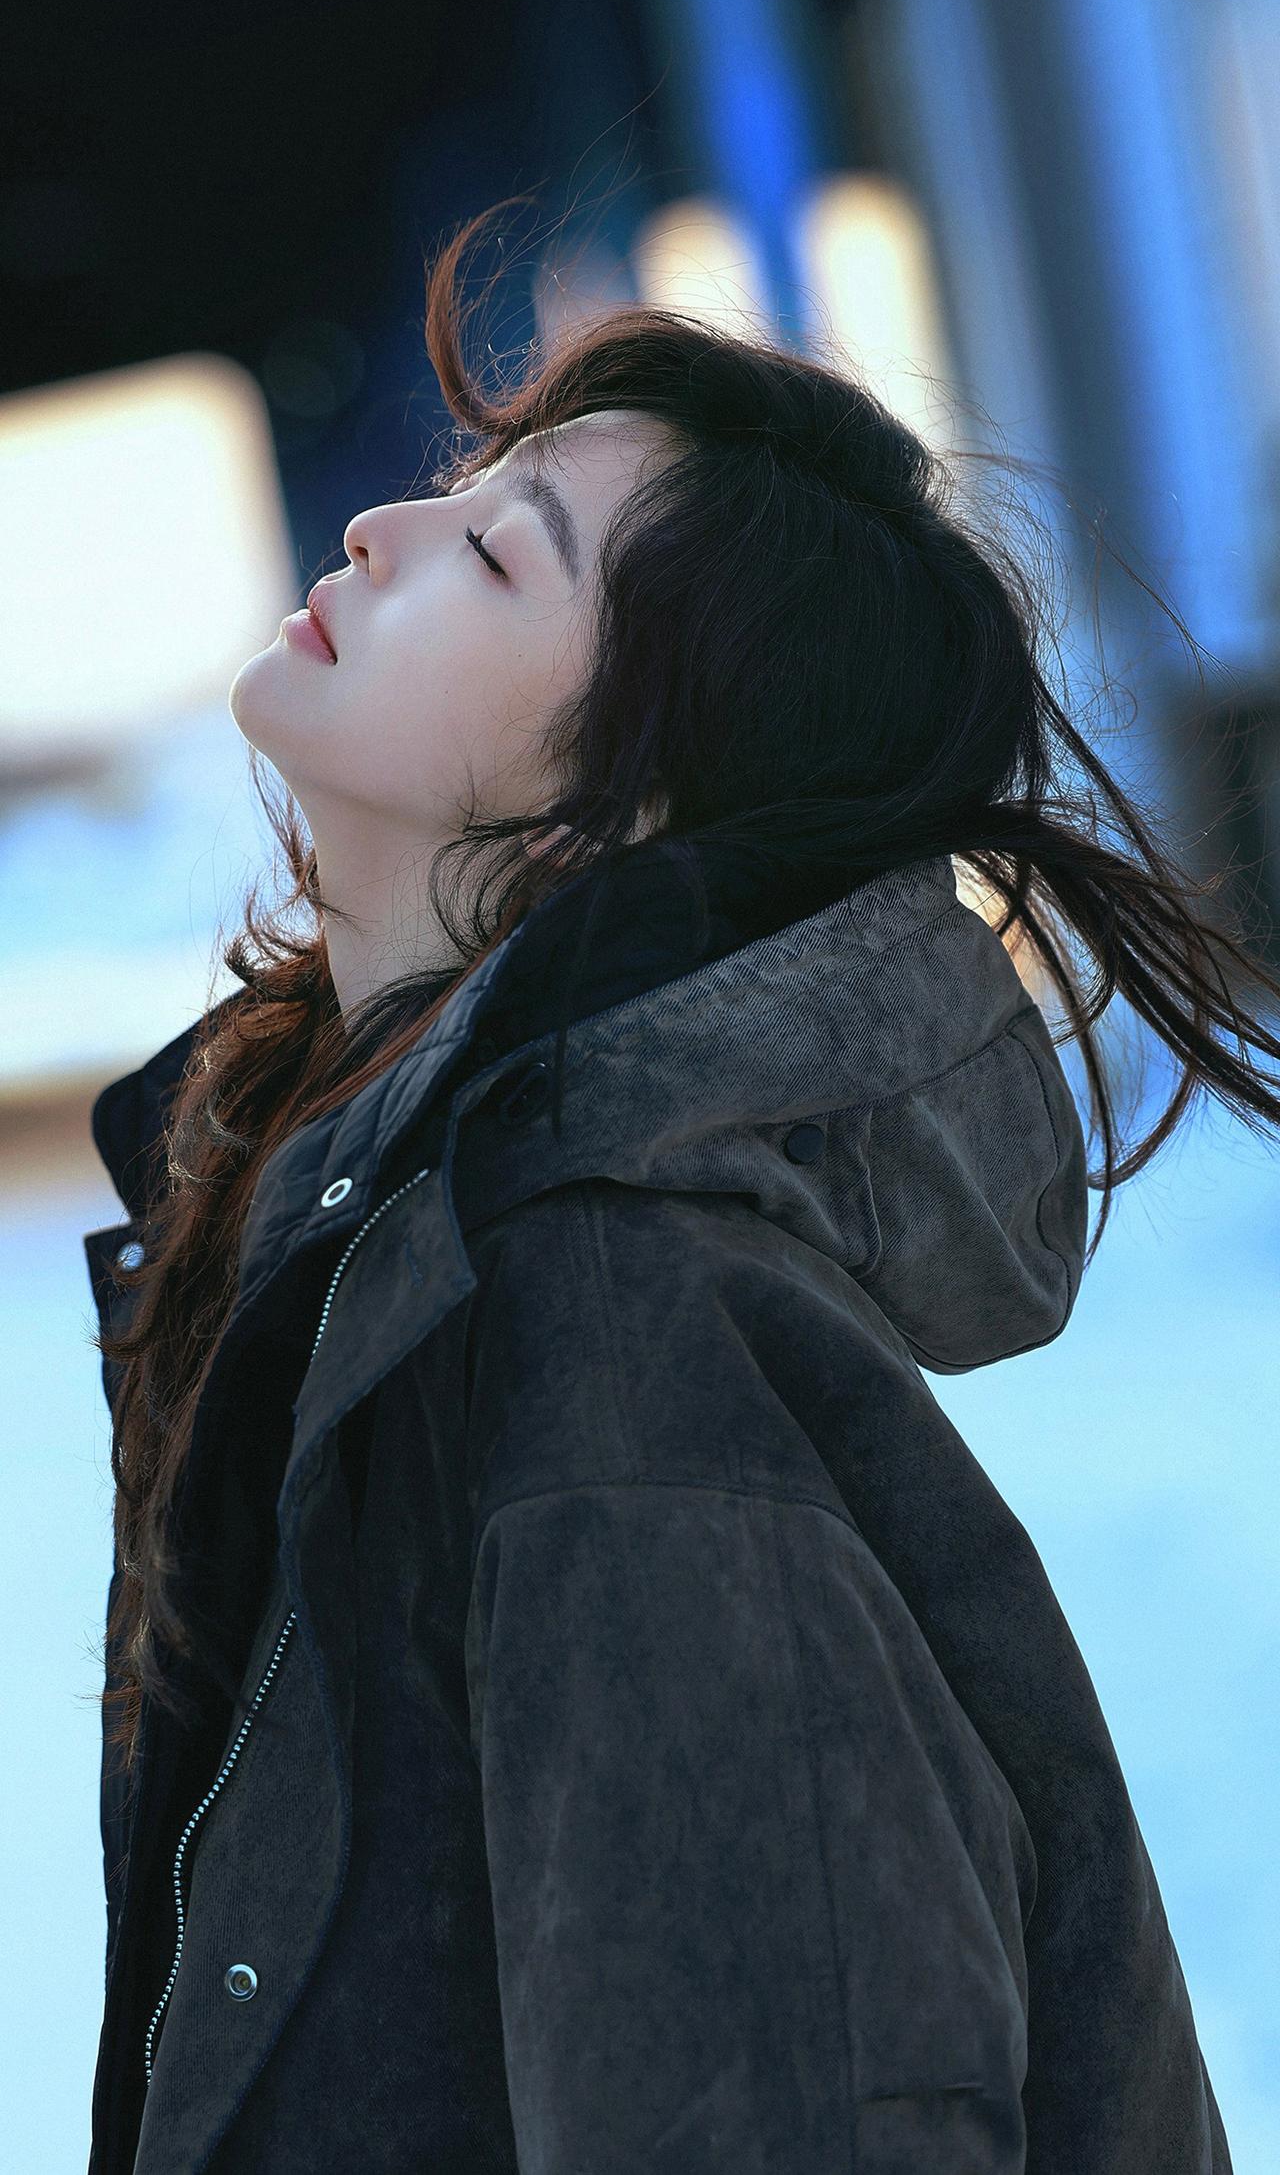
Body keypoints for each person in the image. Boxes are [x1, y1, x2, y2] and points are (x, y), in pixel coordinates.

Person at [84, 202, 1274, 2175]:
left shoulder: (614, 1340)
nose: (378, 528)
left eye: (496, 551)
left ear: (613, 812)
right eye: (460, 492)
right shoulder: (367, 1227)